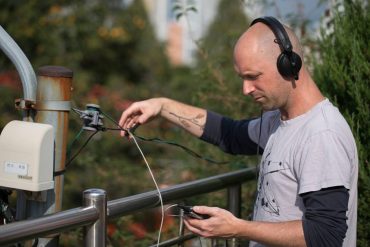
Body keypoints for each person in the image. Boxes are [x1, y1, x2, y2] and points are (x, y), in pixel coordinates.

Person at [119, 16, 358, 247]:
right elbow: (229, 134)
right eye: (242, 78)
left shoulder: (322, 134)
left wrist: (238, 228)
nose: (245, 89)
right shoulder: (278, 122)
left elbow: (326, 235)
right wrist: (162, 106)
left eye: (253, 77)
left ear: (289, 65)